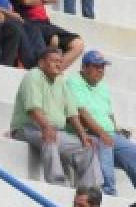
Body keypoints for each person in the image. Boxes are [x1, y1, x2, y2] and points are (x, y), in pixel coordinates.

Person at [10, 48, 100, 187]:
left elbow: (72, 113)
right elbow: (33, 109)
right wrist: (46, 127)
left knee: (88, 146)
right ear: (41, 63)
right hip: (27, 128)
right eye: (54, 61)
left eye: (60, 61)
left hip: (54, 131)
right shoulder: (33, 76)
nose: (58, 64)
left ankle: (89, 190)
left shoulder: (61, 80)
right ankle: (58, 185)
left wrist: (83, 135)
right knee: (50, 136)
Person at [68, 52, 136, 196]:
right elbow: (81, 112)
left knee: (132, 151)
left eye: (103, 67)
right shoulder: (73, 82)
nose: (101, 70)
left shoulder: (102, 85)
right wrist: (102, 132)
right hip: (89, 132)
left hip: (108, 132)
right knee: (105, 144)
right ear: (84, 67)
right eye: (97, 66)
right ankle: (108, 191)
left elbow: (109, 113)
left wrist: (116, 129)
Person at [10, 0, 84, 65]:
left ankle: (54, 72)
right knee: (43, 53)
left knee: (78, 44)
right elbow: (25, 0)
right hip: (29, 22)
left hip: (45, 23)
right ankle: (43, 72)